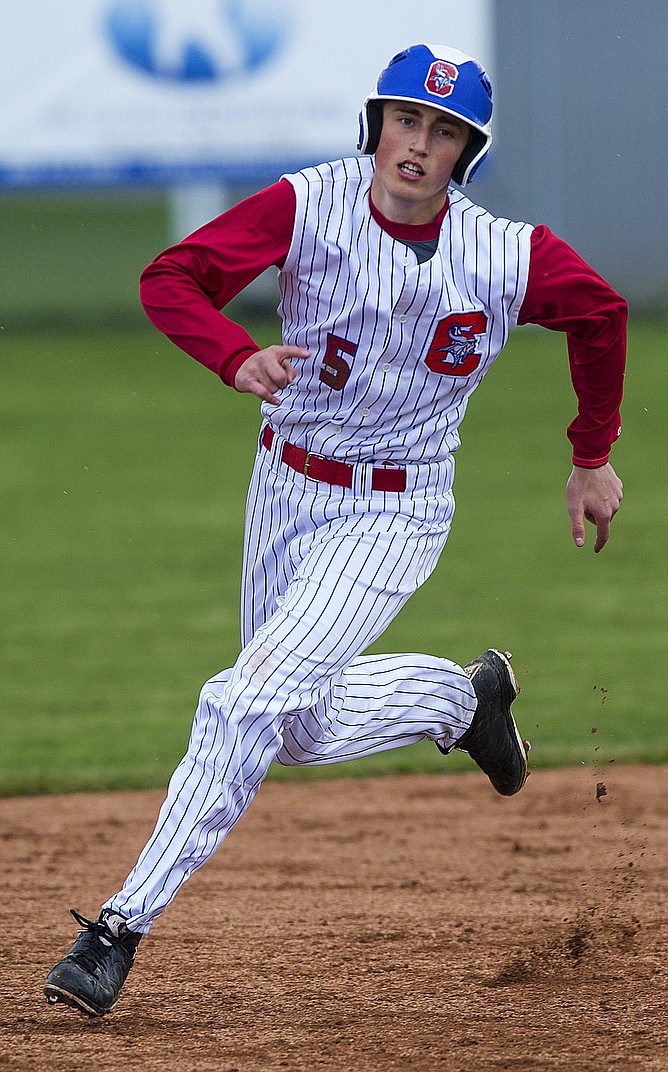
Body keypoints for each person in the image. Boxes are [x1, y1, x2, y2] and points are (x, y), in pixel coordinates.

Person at [44, 43, 626, 1018]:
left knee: (242, 702)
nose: (417, 144)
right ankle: (459, 699)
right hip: (284, 488)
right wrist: (231, 356)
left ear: (463, 156)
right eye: (406, 119)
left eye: (444, 132)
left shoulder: (504, 255)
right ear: (374, 125)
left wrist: (590, 452)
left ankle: (116, 928)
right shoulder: (304, 204)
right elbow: (171, 275)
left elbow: (601, 314)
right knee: (298, 727)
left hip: (394, 511)